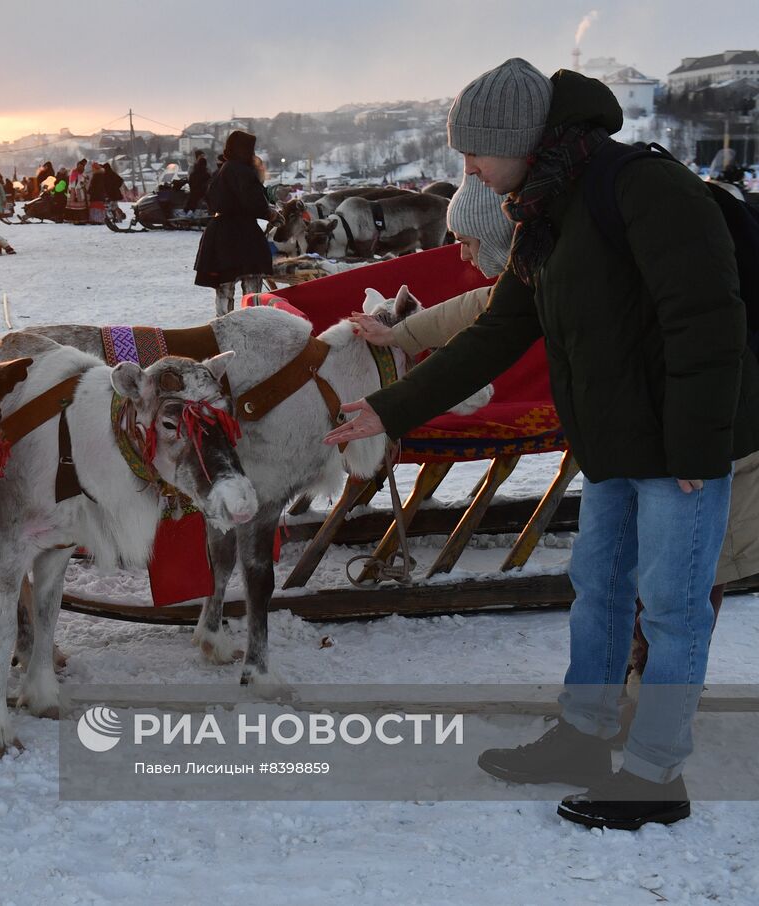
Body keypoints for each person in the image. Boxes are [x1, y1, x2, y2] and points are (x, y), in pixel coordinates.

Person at [324, 59, 759, 831]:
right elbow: (498, 329)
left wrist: (698, 450)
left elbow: (708, 319)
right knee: (598, 593)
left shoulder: (644, 188)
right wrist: (392, 410)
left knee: (673, 608)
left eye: (474, 156)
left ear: (518, 139)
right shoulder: (542, 212)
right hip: (617, 444)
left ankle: (657, 776)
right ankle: (583, 740)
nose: (469, 173)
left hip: (686, 448)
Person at [348, 173, 512, 352]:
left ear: (494, 235)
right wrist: (395, 335)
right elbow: (469, 308)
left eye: (466, 242)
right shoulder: (518, 284)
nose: (463, 255)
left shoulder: (534, 284)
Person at [193, 130, 274, 315]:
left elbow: (211, 198)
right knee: (252, 285)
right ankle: (252, 322)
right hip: (242, 235)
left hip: (219, 233)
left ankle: (223, 324)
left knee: (225, 287)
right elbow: (254, 202)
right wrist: (271, 214)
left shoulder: (223, 169)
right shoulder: (243, 171)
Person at [65, 159, 88, 223]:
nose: (82, 167)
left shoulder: (77, 173)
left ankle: (76, 219)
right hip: (76, 192)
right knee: (76, 207)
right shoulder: (76, 173)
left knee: (76, 207)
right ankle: (77, 220)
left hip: (75, 191)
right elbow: (77, 183)